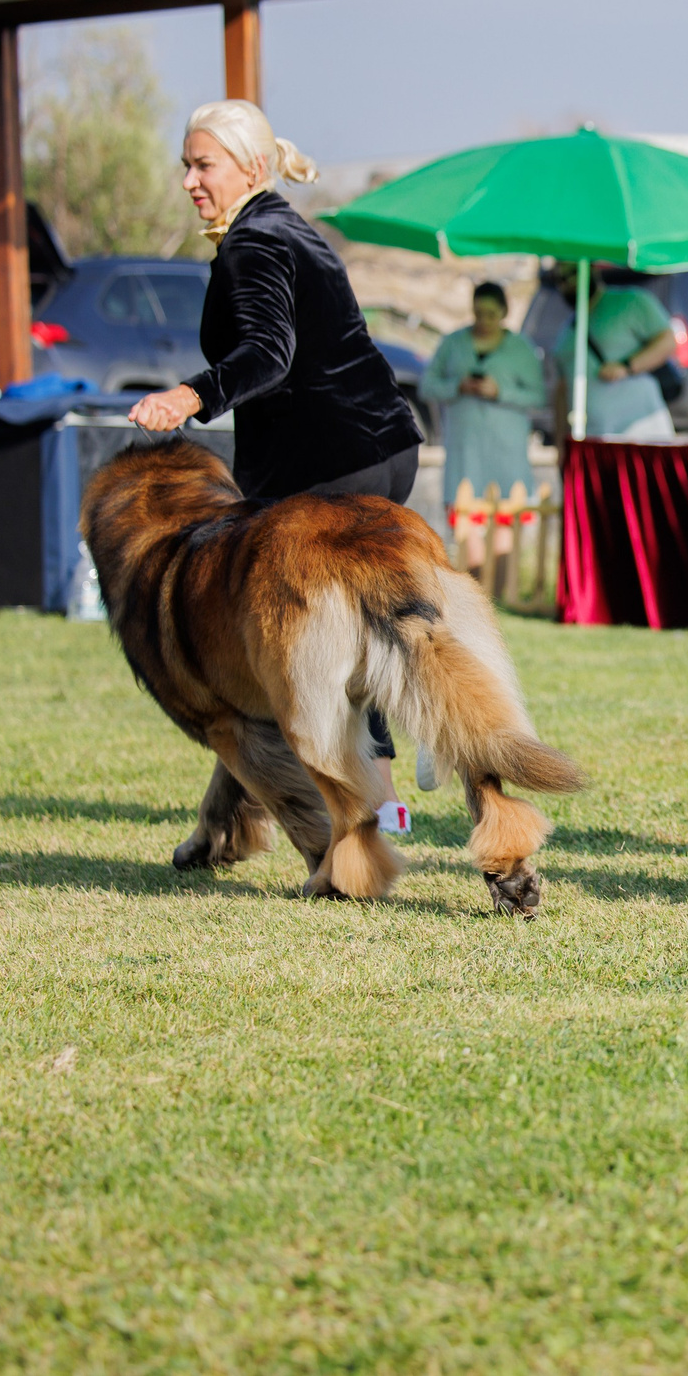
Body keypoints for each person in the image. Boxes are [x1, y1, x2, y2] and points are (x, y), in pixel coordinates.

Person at [127, 99, 425, 837]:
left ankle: (370, 810)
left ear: (251, 167)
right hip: (384, 449)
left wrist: (191, 395)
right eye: (187, 166)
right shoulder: (291, 226)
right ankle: (281, 813)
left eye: (205, 165)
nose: (191, 180)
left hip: (329, 465)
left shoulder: (251, 244)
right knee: (359, 635)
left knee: (300, 649)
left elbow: (269, 355)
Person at [422, 280, 545, 513]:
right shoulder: (453, 343)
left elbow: (538, 397)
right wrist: (458, 386)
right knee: (468, 534)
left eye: (491, 314)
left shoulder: (521, 348)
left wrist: (500, 392)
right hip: (465, 455)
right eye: (479, 313)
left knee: (505, 533)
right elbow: (427, 386)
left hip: (506, 456)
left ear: (504, 312)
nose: (484, 321)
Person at [552, 265, 679, 441]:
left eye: (573, 273)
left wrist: (626, 366)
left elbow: (668, 342)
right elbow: (561, 391)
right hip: (595, 435)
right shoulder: (565, 334)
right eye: (560, 279)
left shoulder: (630, 301)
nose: (568, 283)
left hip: (641, 429)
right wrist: (560, 442)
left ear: (592, 270)